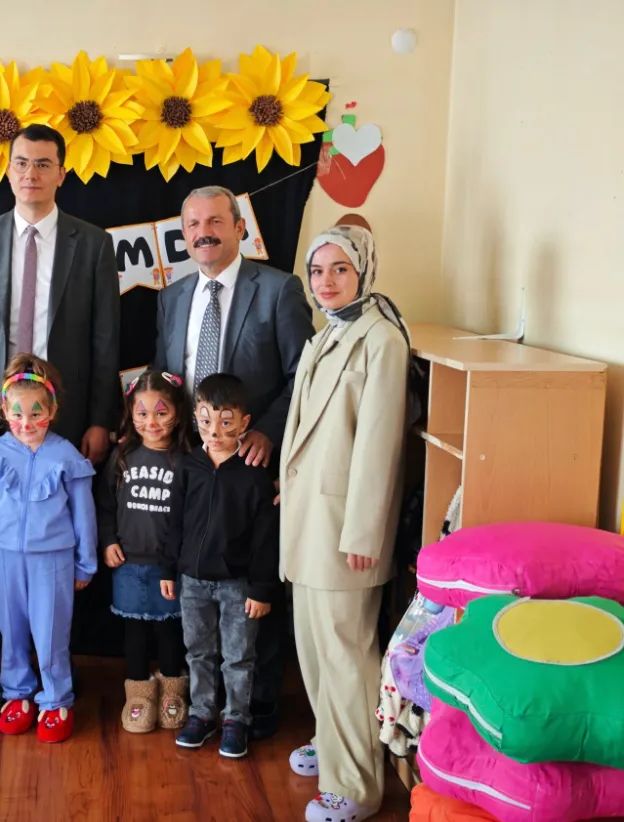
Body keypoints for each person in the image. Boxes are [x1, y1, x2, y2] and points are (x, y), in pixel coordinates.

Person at [151, 185, 314, 737]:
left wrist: (267, 431)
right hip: (194, 462)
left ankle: (257, 704)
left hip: (251, 459)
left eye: (215, 221)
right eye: (193, 224)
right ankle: (207, 705)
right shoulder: (172, 297)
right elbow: (165, 377)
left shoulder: (279, 290)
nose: (204, 233)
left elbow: (303, 377)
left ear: (240, 227)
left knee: (250, 584)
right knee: (200, 579)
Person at [279, 225, 409, 822]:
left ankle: (356, 785)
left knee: (346, 654)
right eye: (317, 271)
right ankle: (331, 741)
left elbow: (380, 446)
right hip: (309, 520)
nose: (326, 281)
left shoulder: (381, 339)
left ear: (363, 272)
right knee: (313, 645)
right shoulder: (328, 332)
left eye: (340, 270)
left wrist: (363, 533)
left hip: (343, 529)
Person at [0, 124, 120, 462]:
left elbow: (105, 340)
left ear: (61, 174)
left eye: (43, 164)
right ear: (9, 171)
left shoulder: (94, 243)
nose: (31, 174)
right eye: (22, 163)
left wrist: (101, 421)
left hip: (66, 411)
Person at [0, 355, 97, 744]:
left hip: (53, 561)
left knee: (50, 633)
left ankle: (55, 699)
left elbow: (84, 514)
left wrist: (85, 564)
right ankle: (17, 693)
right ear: (4, 411)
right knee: (11, 629)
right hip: (4, 559)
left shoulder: (66, 456)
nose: (26, 423)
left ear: (52, 411)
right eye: (17, 414)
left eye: (36, 414)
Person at [160, 374, 279, 759]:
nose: (214, 431)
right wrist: (168, 569)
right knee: (198, 651)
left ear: (244, 422)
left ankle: (236, 719)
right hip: (192, 582)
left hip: (238, 585)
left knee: (238, 655)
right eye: (206, 421)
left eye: (226, 422)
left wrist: (261, 588)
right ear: (195, 417)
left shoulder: (254, 474)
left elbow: (266, 538)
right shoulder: (189, 466)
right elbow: (174, 522)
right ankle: (201, 713)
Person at [97, 370, 192, 734]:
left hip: (170, 567)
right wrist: (108, 540)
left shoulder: (187, 460)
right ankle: (139, 694)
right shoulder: (123, 456)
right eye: (142, 413)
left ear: (178, 414)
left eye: (161, 412)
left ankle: (172, 692)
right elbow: (105, 505)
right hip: (129, 565)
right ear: (131, 415)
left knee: (170, 631)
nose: (151, 422)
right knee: (134, 632)